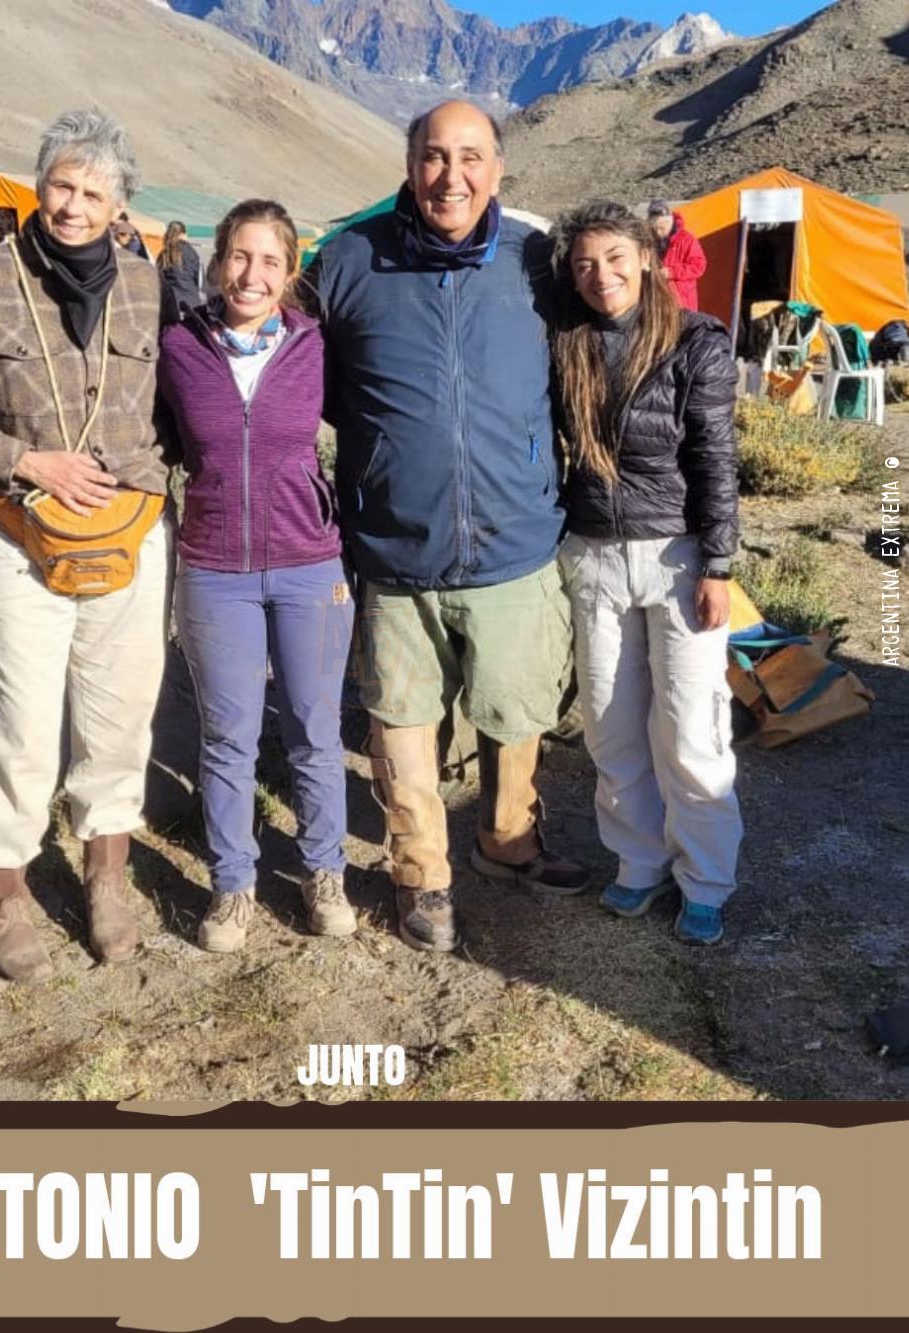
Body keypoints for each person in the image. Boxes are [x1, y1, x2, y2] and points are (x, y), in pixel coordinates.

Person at [307, 100, 588, 954]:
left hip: (514, 541)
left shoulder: (536, 264)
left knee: (516, 708)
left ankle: (508, 843)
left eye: (470, 157)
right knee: (400, 719)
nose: (451, 176)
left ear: (498, 168)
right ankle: (419, 873)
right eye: (434, 157)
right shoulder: (349, 261)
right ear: (409, 163)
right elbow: (308, 389)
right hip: (395, 547)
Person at [0, 109, 174, 982]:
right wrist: (28, 459)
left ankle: (107, 878)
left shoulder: (152, 288)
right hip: (15, 528)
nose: (73, 205)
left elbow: (179, 410)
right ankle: (3, 893)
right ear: (38, 186)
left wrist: (140, 474)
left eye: (93, 192)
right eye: (61, 185)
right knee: (19, 721)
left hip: (130, 530)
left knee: (119, 709)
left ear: (120, 205)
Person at [157, 200, 356, 953]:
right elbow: (155, 439)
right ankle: (232, 884)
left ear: (289, 271)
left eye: (268, 260)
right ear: (217, 262)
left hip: (309, 561)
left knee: (314, 727)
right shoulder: (178, 347)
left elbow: (367, 420)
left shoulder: (314, 345)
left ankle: (323, 871)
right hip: (214, 567)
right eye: (239, 256)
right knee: (228, 734)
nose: (251, 273)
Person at [550, 200, 742, 944]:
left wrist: (718, 561)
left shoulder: (696, 342)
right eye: (584, 265)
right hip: (592, 553)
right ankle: (637, 862)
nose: (601, 277)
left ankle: (706, 878)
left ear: (647, 259)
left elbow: (715, 459)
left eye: (615, 260)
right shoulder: (565, 341)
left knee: (690, 727)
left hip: (677, 557)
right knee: (609, 724)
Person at [647, 200, 706, 311]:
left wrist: (671, 272)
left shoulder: (687, 239)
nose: (658, 233)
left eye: (661, 228)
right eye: (655, 229)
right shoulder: (650, 242)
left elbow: (699, 266)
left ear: (670, 222)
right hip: (659, 303)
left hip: (683, 303)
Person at [156, 220, 204, 320]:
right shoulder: (192, 252)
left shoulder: (164, 255)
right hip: (192, 302)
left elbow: (159, 281)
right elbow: (198, 281)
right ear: (183, 234)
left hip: (172, 303)